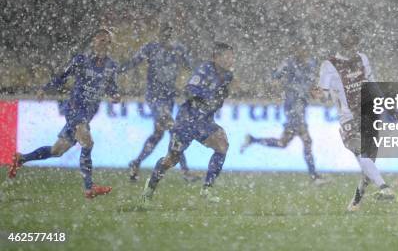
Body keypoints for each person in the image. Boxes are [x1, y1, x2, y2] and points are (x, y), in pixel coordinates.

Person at [8, 28, 121, 199]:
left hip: (88, 113)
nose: (101, 42)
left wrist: (115, 95)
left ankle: (22, 159)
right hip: (75, 108)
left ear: (109, 44)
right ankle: (89, 187)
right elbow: (62, 76)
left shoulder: (111, 66)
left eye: (105, 40)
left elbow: (112, 86)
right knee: (88, 142)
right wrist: (44, 89)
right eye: (99, 39)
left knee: (57, 150)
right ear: (93, 42)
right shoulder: (81, 60)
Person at [141, 42, 234, 204]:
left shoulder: (228, 76)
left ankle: (207, 189)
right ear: (215, 58)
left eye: (232, 56)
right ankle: (149, 188)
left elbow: (219, 97)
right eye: (226, 56)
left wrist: (217, 100)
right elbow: (189, 90)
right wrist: (204, 99)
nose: (230, 59)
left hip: (204, 122)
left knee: (222, 145)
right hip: (187, 121)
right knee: (171, 160)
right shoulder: (205, 69)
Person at [317, 27, 394, 212]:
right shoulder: (329, 65)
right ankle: (385, 188)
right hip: (348, 119)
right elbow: (324, 94)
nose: (350, 43)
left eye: (353, 39)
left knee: (369, 164)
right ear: (341, 42)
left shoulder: (362, 58)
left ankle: (356, 202)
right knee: (363, 154)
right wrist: (320, 94)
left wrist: (387, 105)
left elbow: (372, 83)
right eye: (346, 39)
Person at [240, 43, 328, 184]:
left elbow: (312, 83)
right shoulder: (289, 64)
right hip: (293, 104)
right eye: (300, 49)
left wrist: (319, 94)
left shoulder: (311, 63)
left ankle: (253, 140)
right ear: (295, 50)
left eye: (305, 49)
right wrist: (278, 85)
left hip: (302, 104)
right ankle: (314, 176)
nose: (303, 52)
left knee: (283, 143)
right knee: (306, 140)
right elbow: (274, 76)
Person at [120, 22, 196, 181]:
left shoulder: (179, 49)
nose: (167, 38)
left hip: (169, 97)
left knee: (158, 134)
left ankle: (136, 163)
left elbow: (192, 67)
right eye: (165, 35)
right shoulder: (151, 48)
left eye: (170, 35)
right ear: (160, 36)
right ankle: (185, 171)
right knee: (174, 129)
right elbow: (133, 62)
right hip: (155, 97)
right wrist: (114, 71)